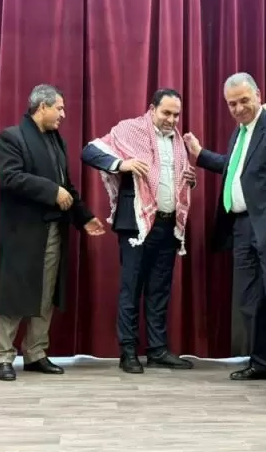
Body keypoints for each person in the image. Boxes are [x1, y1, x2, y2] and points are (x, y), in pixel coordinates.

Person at [183, 73, 266, 393]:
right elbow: (236, 168)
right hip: (242, 227)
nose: (239, 108)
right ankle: (262, 361)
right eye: (232, 104)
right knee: (251, 300)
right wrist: (201, 155)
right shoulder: (240, 133)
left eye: (244, 100)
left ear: (257, 95)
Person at [0, 84, 106, 381]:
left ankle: (35, 353)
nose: (63, 114)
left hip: (54, 229)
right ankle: (3, 356)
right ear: (42, 107)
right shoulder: (11, 137)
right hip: (22, 231)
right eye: (59, 108)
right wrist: (51, 190)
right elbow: (10, 177)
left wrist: (84, 217)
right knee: (15, 294)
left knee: (46, 293)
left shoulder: (57, 141)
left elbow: (67, 187)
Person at [81, 89, 196, 374]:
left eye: (176, 114)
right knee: (131, 287)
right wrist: (121, 164)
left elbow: (171, 177)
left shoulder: (178, 140)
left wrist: (188, 180)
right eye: (166, 113)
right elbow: (89, 151)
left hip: (168, 224)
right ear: (152, 109)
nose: (171, 119)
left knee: (160, 289)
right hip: (136, 223)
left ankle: (157, 350)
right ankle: (128, 351)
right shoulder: (129, 130)